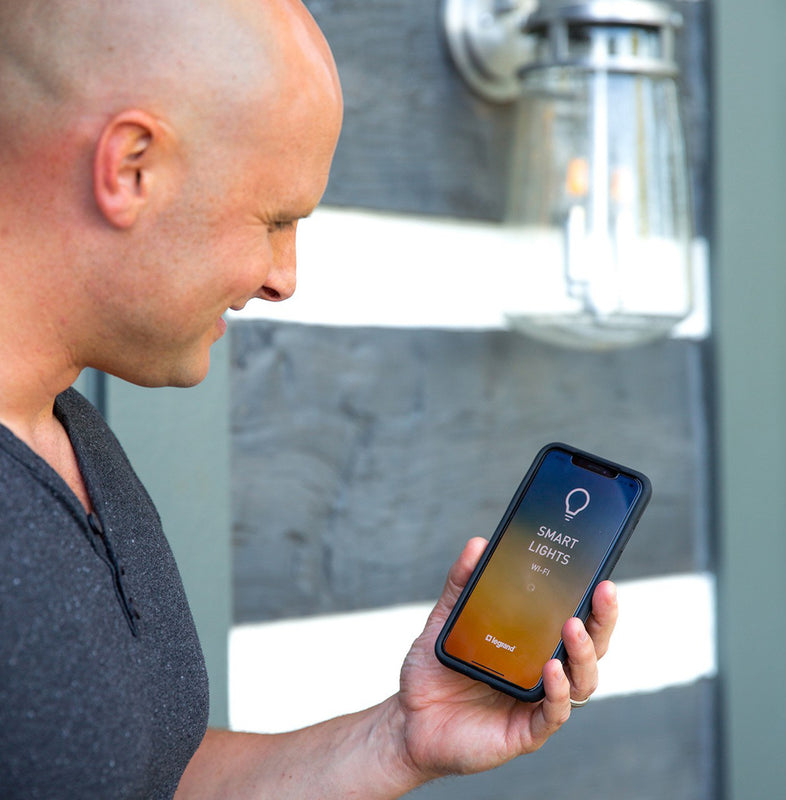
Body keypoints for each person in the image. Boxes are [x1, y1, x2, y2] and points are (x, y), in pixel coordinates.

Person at [0, 1, 620, 797]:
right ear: (131, 168)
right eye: (274, 220)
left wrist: (400, 740)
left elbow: (142, 779)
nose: (283, 278)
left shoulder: (75, 440)